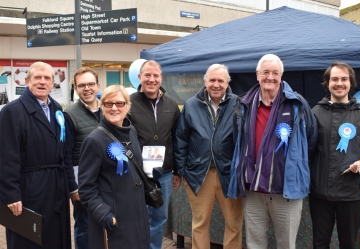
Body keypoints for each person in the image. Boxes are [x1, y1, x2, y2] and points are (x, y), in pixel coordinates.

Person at [228, 54, 317, 249]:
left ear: (282, 75)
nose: (270, 77)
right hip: (253, 191)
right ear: (257, 74)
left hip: (285, 192)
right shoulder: (244, 104)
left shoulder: (297, 104)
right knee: (254, 244)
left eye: (275, 73)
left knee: (286, 245)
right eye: (266, 72)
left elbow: (310, 140)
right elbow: (238, 140)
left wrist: (294, 165)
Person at [0, 61, 72, 249]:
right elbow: (7, 156)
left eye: (47, 78)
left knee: (54, 238)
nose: (42, 82)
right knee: (28, 239)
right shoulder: (11, 111)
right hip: (28, 188)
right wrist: (11, 194)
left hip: (56, 186)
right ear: (27, 80)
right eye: (37, 77)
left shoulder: (57, 109)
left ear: (52, 82)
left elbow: (64, 151)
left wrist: (69, 186)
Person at [174, 64, 243, 249]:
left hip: (229, 174)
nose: (216, 84)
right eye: (212, 80)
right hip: (199, 174)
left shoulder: (238, 104)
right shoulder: (190, 105)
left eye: (221, 80)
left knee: (234, 223)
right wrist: (181, 170)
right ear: (205, 81)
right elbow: (181, 139)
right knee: (200, 223)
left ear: (227, 82)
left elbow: (244, 139)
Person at [309, 61, 360, 248]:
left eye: (344, 79)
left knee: (349, 244)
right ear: (327, 83)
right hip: (320, 194)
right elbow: (307, 152)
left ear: (351, 83)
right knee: (320, 243)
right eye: (334, 79)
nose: (339, 83)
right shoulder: (315, 113)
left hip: (351, 194)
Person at [78, 85, 150, 249]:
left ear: (127, 106)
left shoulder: (131, 131)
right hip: (114, 219)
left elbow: (133, 168)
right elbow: (86, 187)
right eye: (109, 104)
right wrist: (102, 213)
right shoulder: (94, 140)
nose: (114, 108)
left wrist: (151, 175)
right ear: (102, 107)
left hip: (137, 214)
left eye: (120, 103)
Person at [128, 60, 181, 249]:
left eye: (155, 75)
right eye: (147, 75)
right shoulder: (128, 103)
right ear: (139, 77)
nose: (151, 79)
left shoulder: (172, 105)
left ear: (161, 78)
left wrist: (177, 170)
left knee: (159, 218)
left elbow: (176, 139)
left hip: (163, 173)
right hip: (135, 173)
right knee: (135, 217)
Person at [64, 67, 101, 249]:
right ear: (76, 88)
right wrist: (73, 187)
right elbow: (66, 155)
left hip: (107, 180)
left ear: (98, 86)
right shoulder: (70, 115)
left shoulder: (110, 109)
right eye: (82, 85)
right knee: (84, 226)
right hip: (83, 183)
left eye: (90, 84)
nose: (87, 88)